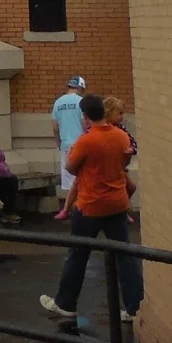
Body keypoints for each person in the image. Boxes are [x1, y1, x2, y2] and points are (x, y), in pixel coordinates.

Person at [40, 92, 144, 326]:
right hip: (117, 204)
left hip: (90, 206)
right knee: (124, 256)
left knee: (77, 256)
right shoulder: (121, 137)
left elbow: (71, 167)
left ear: (85, 117)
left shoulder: (85, 141)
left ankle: (66, 304)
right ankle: (134, 306)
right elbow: (124, 162)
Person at [50, 77, 88, 221]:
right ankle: (81, 209)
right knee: (82, 177)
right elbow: (84, 123)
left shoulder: (58, 102)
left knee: (69, 181)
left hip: (66, 146)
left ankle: (70, 210)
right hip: (80, 144)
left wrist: (58, 142)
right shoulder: (80, 102)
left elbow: (54, 127)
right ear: (80, 88)